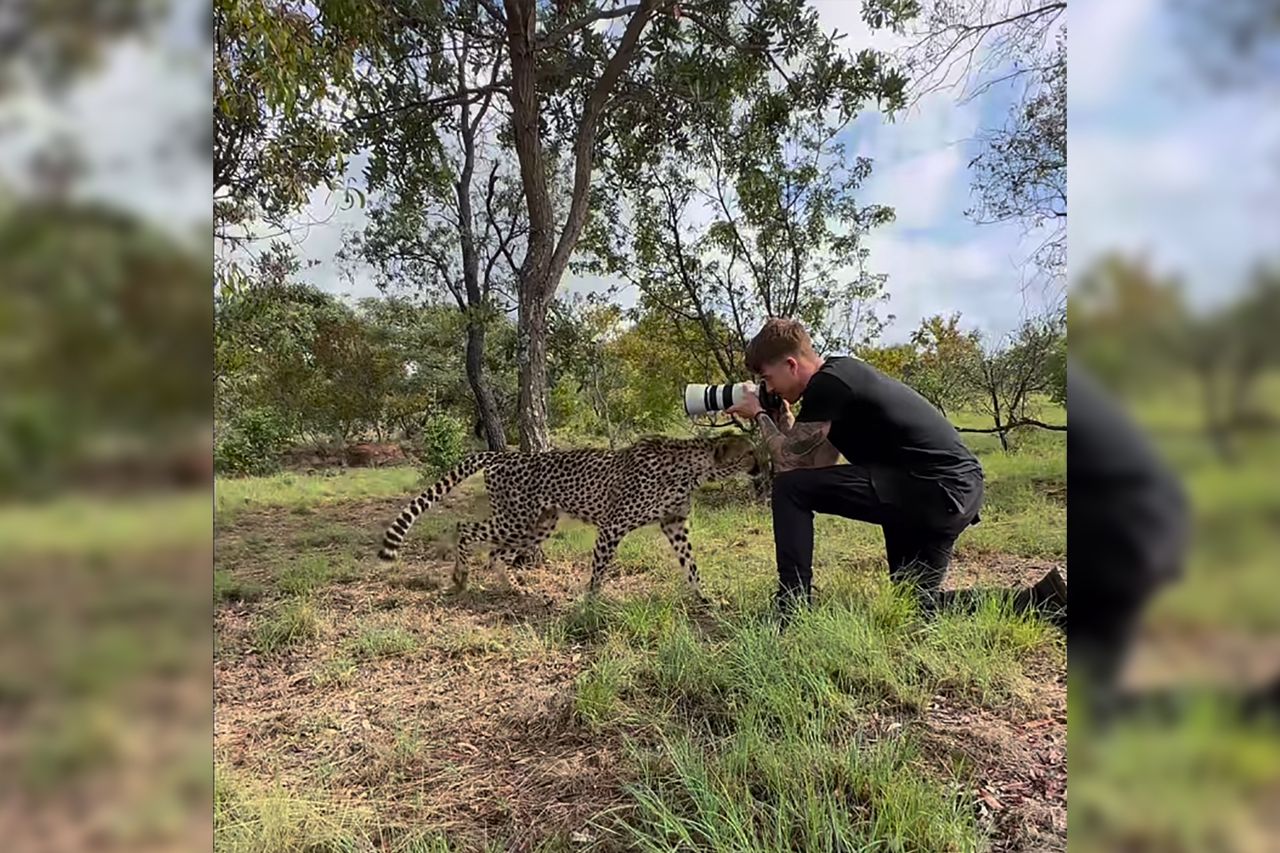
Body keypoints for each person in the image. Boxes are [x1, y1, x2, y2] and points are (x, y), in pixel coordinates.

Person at [723, 317, 1067, 624]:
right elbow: (812, 463)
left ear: (791, 364)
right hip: (947, 492)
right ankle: (1044, 602)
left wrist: (760, 415)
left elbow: (790, 468)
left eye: (768, 378)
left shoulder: (829, 385)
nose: (768, 387)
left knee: (788, 489)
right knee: (916, 607)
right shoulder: (839, 379)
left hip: (934, 489)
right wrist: (780, 413)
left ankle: (791, 608)